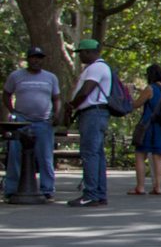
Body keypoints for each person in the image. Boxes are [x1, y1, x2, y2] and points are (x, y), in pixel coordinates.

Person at [3, 46, 61, 200]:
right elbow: (6, 94)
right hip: (21, 121)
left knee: (45, 156)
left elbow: (56, 98)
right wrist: (13, 111)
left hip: (43, 121)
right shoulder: (16, 76)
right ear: (28, 59)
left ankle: (47, 189)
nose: (37, 60)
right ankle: (11, 189)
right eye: (34, 57)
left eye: (40, 58)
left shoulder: (50, 77)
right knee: (15, 155)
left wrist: (56, 113)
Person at [65, 38, 112, 207]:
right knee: (97, 153)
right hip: (97, 113)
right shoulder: (101, 67)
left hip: (93, 113)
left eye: (80, 53)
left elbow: (86, 91)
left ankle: (90, 193)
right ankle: (99, 193)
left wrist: (71, 105)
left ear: (87, 52)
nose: (80, 57)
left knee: (90, 153)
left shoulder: (96, 68)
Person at [129, 64, 161, 195]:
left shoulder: (150, 88)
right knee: (158, 156)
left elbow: (135, 104)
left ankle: (140, 187)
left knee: (140, 155)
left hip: (149, 127)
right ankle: (158, 187)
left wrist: (131, 92)